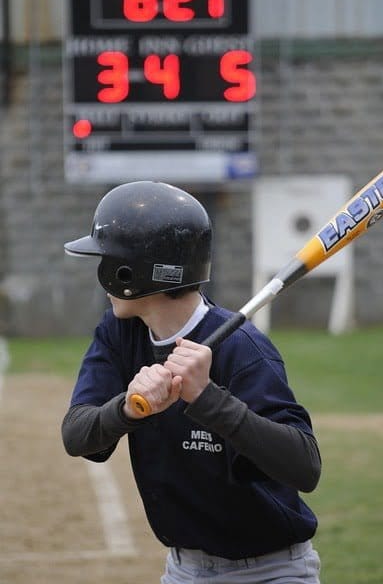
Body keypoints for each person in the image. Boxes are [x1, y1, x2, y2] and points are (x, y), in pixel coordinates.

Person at [61, 180, 322, 583]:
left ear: (132, 271)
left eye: (105, 261)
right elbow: (77, 435)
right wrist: (127, 409)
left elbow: (305, 467)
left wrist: (207, 399)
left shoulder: (243, 349)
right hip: (184, 570)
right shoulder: (119, 333)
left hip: (269, 570)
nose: (101, 275)